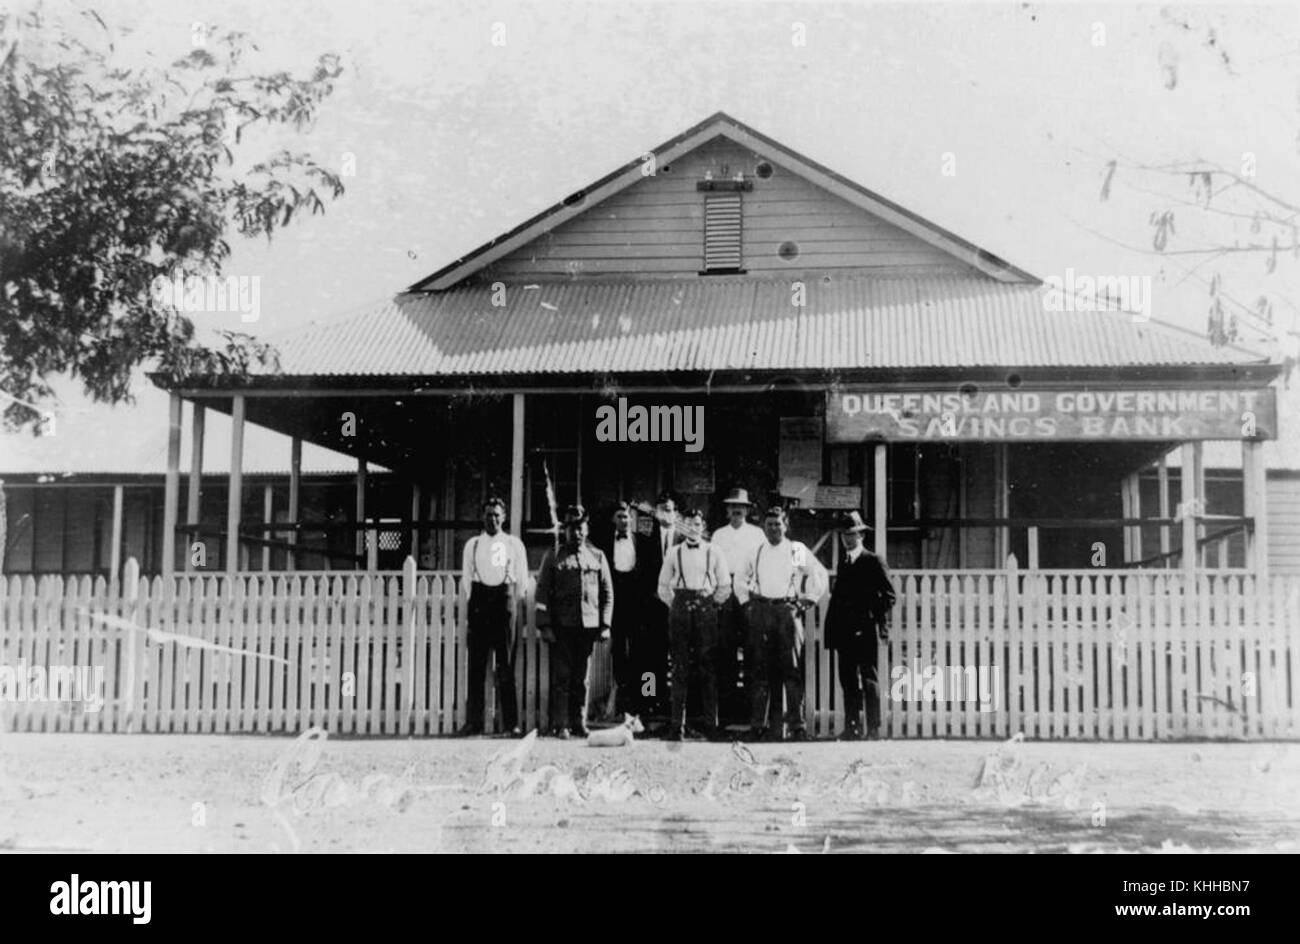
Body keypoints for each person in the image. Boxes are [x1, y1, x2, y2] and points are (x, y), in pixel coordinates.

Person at [734, 505, 829, 741]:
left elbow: (817, 572)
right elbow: (739, 578)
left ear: (786, 526)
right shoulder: (756, 551)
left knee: (792, 670)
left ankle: (797, 726)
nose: (774, 528)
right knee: (759, 670)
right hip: (762, 610)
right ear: (763, 527)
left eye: (778, 524)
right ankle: (759, 725)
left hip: (787, 611)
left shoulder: (794, 550)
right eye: (769, 525)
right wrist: (746, 602)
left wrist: (808, 599)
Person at [534, 505, 614, 738]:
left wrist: (605, 625)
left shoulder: (597, 556)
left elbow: (607, 593)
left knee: (582, 678)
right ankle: (561, 724)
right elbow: (541, 594)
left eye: (580, 528)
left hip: (587, 627)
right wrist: (545, 625)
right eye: (571, 529)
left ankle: (579, 722)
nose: (576, 533)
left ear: (587, 529)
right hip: (562, 627)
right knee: (562, 678)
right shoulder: (554, 556)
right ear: (564, 531)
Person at [656, 508, 732, 740]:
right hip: (680, 610)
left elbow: (725, 585)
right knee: (679, 667)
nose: (692, 528)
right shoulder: (673, 552)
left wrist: (710, 604)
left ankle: (711, 725)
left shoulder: (714, 551)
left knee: (707, 667)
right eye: (688, 524)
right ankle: (677, 726)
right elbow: (662, 586)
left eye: (696, 524)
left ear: (703, 527)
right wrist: (677, 605)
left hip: (706, 610)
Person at [458, 496, 529, 737]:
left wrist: (510, 602)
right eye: (489, 514)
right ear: (482, 516)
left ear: (504, 517)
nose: (493, 519)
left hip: (504, 603)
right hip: (479, 603)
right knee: (476, 666)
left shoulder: (514, 544)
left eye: (497, 514)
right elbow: (466, 578)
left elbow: (521, 580)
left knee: (506, 666)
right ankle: (473, 723)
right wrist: (476, 600)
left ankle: (511, 724)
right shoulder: (473, 544)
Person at [824, 510, 896, 740]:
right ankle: (852, 726)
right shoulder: (844, 562)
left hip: (865, 631)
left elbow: (889, 595)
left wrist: (869, 617)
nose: (848, 538)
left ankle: (873, 728)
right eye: (845, 534)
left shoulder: (873, 560)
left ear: (861, 535)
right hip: (845, 631)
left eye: (852, 534)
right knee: (847, 679)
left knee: (869, 678)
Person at [593, 501, 656, 718]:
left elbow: (651, 575)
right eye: (620, 516)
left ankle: (647, 703)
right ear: (613, 520)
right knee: (619, 655)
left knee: (643, 655)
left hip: (639, 606)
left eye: (627, 516)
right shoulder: (602, 544)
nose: (624, 520)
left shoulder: (645, 542)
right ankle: (623, 704)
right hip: (616, 605)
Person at [709, 487, 765, 728]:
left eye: (740, 507)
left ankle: (752, 712)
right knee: (725, 650)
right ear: (727, 510)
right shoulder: (718, 535)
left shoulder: (757, 534)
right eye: (732, 506)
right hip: (725, 590)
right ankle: (728, 711)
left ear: (747, 509)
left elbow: (763, 563)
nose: (736, 511)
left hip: (749, 590)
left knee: (753, 650)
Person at [640, 491, 681, 728]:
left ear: (676, 513)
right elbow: (642, 572)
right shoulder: (646, 537)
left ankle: (674, 703)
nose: (667, 513)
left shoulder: (684, 540)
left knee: (677, 656)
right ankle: (650, 700)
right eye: (662, 509)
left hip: (678, 606)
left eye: (670, 509)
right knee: (651, 657)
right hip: (653, 606)